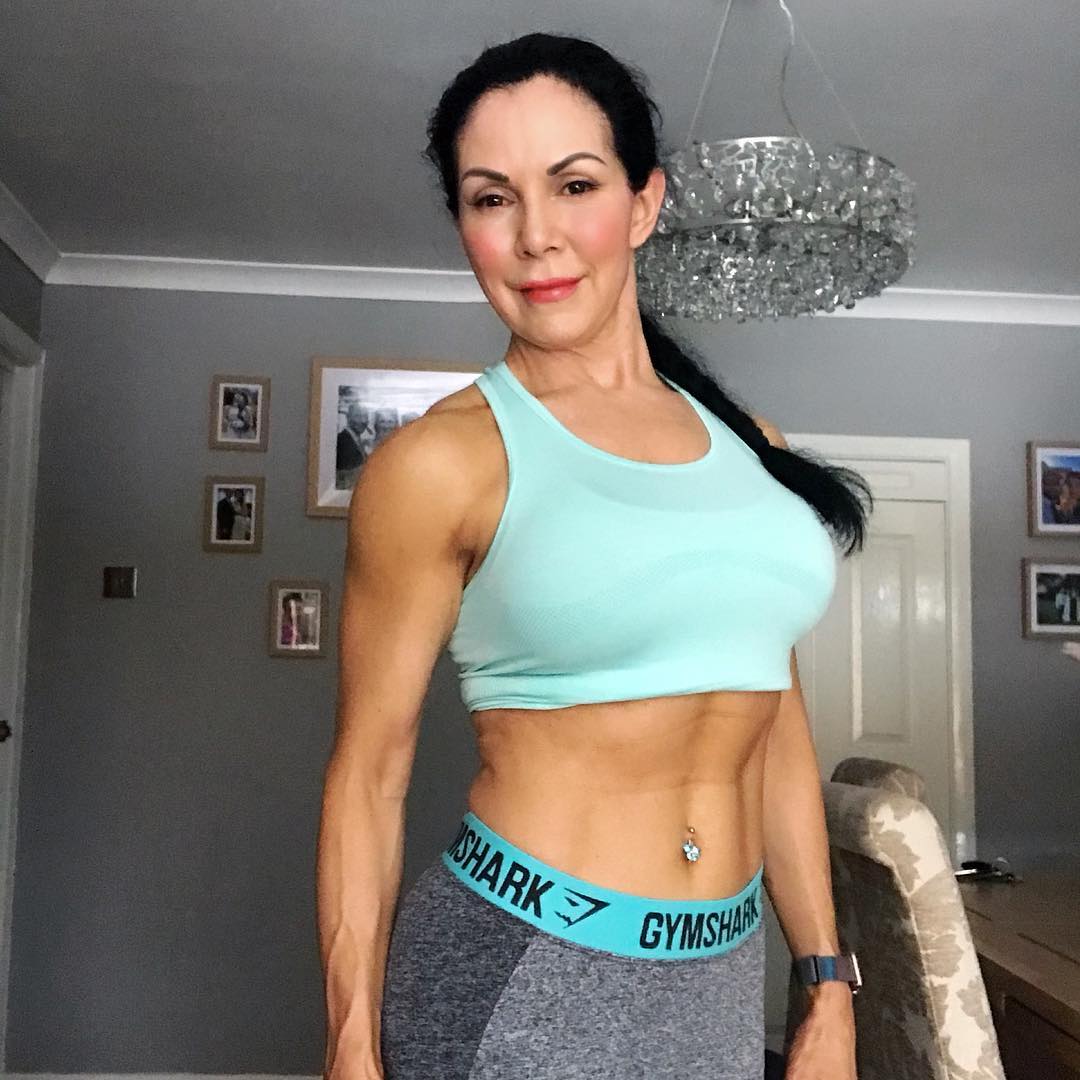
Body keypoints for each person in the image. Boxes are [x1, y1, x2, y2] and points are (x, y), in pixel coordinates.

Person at [317, 31, 873, 1080]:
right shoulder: (441, 463)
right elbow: (368, 771)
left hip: (720, 977)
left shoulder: (754, 451)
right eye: (491, 199)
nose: (536, 236)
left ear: (644, 204)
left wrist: (827, 984)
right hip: (520, 965)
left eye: (574, 185)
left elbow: (777, 730)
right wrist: (349, 1047)